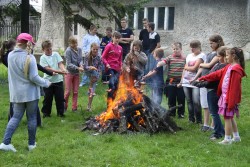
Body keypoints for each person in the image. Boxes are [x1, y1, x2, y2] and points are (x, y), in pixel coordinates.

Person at [0, 33, 51, 152]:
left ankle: (5, 143)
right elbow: (34, 77)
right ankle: (31, 144)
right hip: (30, 94)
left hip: (16, 93)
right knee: (32, 117)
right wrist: (46, 82)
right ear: (29, 44)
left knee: (15, 117)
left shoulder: (10, 55)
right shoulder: (30, 57)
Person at [198, 47, 246, 144]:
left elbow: (235, 88)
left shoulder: (236, 69)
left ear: (234, 56)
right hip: (225, 96)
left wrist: (231, 102)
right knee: (230, 117)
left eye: (227, 55)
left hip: (229, 98)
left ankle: (227, 139)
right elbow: (217, 74)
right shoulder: (229, 66)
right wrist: (204, 77)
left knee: (227, 117)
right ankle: (236, 137)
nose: (226, 57)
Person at [0, 39, 54, 126]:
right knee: (29, 108)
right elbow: (33, 73)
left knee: (16, 108)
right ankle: (36, 123)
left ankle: (13, 124)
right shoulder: (14, 56)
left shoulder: (9, 56)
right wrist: (47, 80)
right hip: (26, 85)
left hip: (16, 87)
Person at [192, 46, 228, 140]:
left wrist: (199, 84)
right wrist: (200, 80)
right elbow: (210, 76)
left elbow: (213, 80)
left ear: (224, 56)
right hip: (211, 89)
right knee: (214, 112)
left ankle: (218, 133)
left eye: (219, 56)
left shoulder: (223, 66)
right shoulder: (219, 64)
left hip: (214, 90)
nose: (218, 58)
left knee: (214, 113)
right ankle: (220, 130)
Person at [157, 42, 186, 118]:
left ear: (181, 49)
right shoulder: (170, 57)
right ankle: (172, 112)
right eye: (174, 49)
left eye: (177, 49)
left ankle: (181, 113)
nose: (175, 50)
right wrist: (160, 63)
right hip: (171, 81)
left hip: (181, 81)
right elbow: (164, 61)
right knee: (171, 98)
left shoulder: (184, 58)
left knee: (181, 98)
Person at [40, 40, 67, 118]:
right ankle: (46, 113)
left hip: (58, 80)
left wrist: (63, 69)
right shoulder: (42, 57)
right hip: (48, 81)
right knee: (47, 98)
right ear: (43, 50)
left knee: (60, 98)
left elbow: (60, 63)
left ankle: (61, 113)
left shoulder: (56, 54)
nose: (49, 51)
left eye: (50, 49)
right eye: (47, 49)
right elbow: (47, 69)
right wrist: (59, 71)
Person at [180, 40, 205, 124]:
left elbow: (194, 68)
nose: (192, 49)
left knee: (196, 101)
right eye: (191, 47)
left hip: (195, 82)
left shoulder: (202, 56)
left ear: (198, 47)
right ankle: (191, 119)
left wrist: (187, 67)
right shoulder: (189, 55)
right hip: (186, 81)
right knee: (189, 101)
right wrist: (181, 80)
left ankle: (199, 120)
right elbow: (185, 68)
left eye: (194, 48)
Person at [64, 36, 84, 112]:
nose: (75, 44)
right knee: (68, 91)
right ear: (69, 43)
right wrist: (78, 68)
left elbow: (80, 60)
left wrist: (81, 65)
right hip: (69, 73)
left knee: (75, 91)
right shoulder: (68, 51)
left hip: (76, 74)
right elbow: (68, 64)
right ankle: (64, 106)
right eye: (73, 43)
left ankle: (74, 108)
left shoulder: (79, 50)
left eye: (75, 43)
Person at [102, 31, 123, 99]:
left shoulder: (120, 48)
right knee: (112, 85)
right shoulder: (109, 46)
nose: (117, 39)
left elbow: (120, 59)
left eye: (118, 38)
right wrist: (107, 64)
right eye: (116, 38)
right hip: (110, 68)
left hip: (117, 69)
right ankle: (109, 105)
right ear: (113, 38)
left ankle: (112, 103)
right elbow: (103, 57)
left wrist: (121, 67)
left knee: (116, 87)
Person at [84, 43, 102, 111]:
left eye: (96, 49)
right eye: (94, 49)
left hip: (95, 74)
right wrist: (91, 67)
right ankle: (90, 87)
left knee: (92, 90)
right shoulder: (87, 56)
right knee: (93, 72)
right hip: (88, 72)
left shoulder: (99, 57)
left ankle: (89, 106)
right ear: (91, 49)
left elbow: (100, 68)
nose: (95, 51)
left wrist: (97, 76)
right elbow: (85, 67)